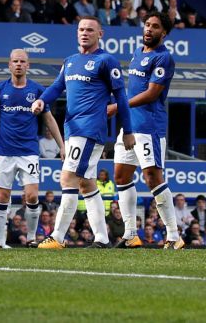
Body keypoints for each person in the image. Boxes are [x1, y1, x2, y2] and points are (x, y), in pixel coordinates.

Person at [34, 16, 131, 249]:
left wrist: (128, 130)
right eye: (81, 29)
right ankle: (101, 238)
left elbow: (122, 99)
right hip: (72, 129)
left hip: (89, 130)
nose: (84, 33)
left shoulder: (107, 61)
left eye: (90, 29)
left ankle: (57, 237)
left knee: (67, 178)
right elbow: (57, 86)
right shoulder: (70, 61)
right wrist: (41, 100)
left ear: (101, 34)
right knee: (87, 185)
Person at [109, 11, 184, 249]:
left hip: (150, 127)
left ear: (164, 33)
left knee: (153, 178)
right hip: (130, 126)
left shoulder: (164, 58)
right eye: (147, 25)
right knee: (121, 176)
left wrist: (118, 106)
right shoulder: (137, 53)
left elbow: (152, 93)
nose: (149, 29)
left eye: (154, 26)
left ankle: (173, 235)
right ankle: (131, 234)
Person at [0, 48, 64, 248]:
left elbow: (49, 120)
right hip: (4, 152)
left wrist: (62, 146)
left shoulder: (36, 90)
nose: (18, 64)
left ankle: (31, 238)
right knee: (2, 197)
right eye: (15, 61)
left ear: (28, 66)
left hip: (28, 152)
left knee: (32, 196)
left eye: (22, 61)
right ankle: (0, 243)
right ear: (9, 65)